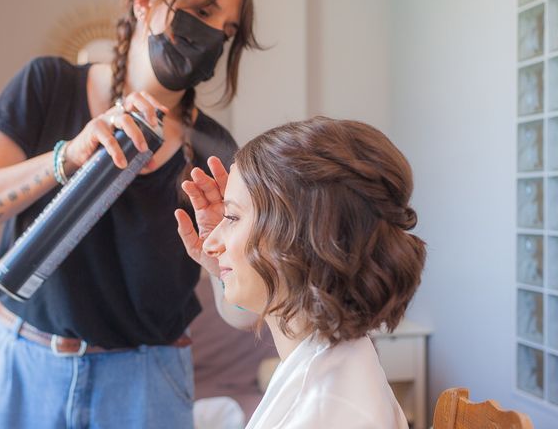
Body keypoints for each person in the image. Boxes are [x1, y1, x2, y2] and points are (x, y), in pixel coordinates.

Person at [0, 0, 261, 428]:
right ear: (145, 0)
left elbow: (243, 315)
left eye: (226, 32)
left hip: (144, 386)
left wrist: (218, 265)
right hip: (20, 367)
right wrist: (67, 158)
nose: (212, 38)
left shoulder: (214, 153)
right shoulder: (48, 86)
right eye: (204, 11)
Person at [175, 117, 427, 429]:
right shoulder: (325, 365)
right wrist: (227, 267)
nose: (211, 242)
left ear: (296, 240)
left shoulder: (328, 409)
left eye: (233, 216)